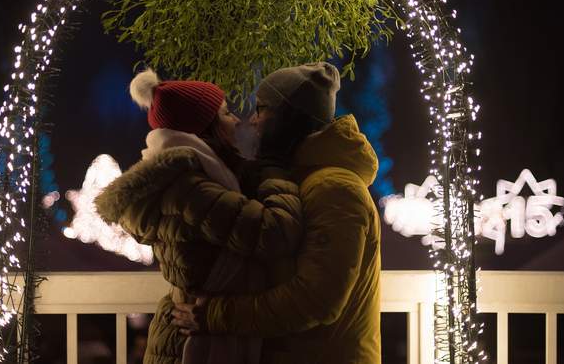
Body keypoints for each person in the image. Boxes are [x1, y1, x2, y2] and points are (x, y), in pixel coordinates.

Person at [172, 62, 382, 364]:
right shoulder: (302, 179)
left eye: (263, 109)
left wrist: (214, 315)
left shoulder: (335, 189)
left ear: (290, 118)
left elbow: (315, 300)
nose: (253, 121)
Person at [94, 69, 302, 364]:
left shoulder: (182, 180)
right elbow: (276, 233)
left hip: (184, 339)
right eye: (226, 114)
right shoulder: (191, 190)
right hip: (199, 344)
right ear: (206, 128)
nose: (237, 120)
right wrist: (275, 174)